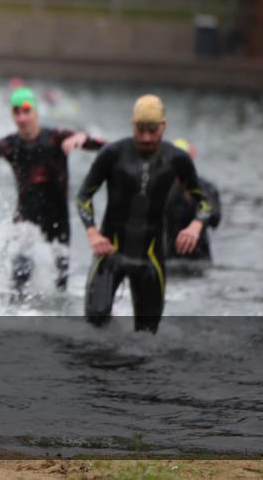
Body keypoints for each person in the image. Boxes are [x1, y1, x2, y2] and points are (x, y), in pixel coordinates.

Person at [76, 95, 214, 333]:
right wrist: (92, 232)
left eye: (152, 130)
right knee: (94, 327)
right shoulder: (113, 153)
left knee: (147, 338)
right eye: (141, 130)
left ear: (163, 126)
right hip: (110, 253)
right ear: (132, 126)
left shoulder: (177, 159)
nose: (147, 137)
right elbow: (83, 196)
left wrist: (196, 225)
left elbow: (205, 203)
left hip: (150, 259)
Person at [0, 86, 103, 293]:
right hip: (26, 222)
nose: (22, 117)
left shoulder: (57, 138)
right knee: (18, 283)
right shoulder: (9, 145)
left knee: (60, 287)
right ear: (12, 115)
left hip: (57, 222)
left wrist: (84, 139)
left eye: (27, 111)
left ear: (36, 112)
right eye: (17, 112)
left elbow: (106, 147)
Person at [163, 139, 221, 275]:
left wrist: (197, 223)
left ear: (191, 156)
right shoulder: (161, 188)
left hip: (199, 261)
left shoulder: (206, 187)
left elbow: (215, 217)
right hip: (169, 261)